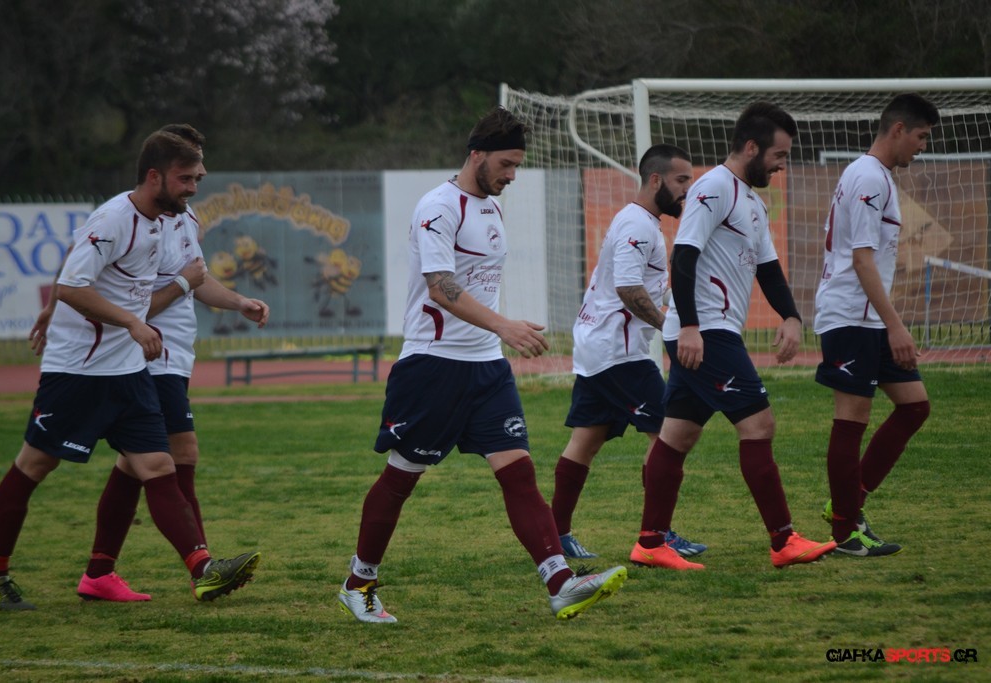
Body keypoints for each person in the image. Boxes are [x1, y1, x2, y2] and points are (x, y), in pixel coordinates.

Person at [337, 107, 627, 623]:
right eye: (506, 164)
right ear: (477, 156)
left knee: (519, 474)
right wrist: (504, 326)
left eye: (517, 166)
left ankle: (560, 583)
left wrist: (496, 335)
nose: (512, 175)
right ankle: (358, 584)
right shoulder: (438, 207)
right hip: (433, 366)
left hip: (486, 369)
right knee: (402, 476)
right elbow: (440, 286)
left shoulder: (491, 209)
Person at [0, 131, 260, 611]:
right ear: (154, 176)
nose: (193, 188)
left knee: (159, 466)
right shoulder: (114, 218)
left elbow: (188, 278)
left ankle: (202, 568)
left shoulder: (169, 220)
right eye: (185, 179)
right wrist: (130, 321)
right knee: (35, 465)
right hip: (79, 371)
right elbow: (72, 285)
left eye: (197, 178)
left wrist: (236, 302)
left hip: (128, 369)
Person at [631, 101, 836, 571]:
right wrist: (689, 326)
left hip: (709, 331)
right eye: (778, 155)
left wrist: (791, 316)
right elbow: (683, 255)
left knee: (676, 436)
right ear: (751, 147)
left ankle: (650, 542)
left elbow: (768, 267)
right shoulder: (714, 187)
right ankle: (783, 539)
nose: (782, 165)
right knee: (759, 425)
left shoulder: (753, 202)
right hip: (705, 331)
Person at [551, 144, 707, 560]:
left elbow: (638, 285)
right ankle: (658, 534)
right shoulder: (638, 224)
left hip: (599, 347)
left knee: (586, 439)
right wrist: (670, 327)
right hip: (618, 353)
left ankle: (556, 533)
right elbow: (627, 287)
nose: (686, 190)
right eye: (680, 180)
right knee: (670, 434)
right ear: (655, 180)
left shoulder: (638, 221)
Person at [814, 94, 939, 556]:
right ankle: (845, 534)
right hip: (852, 316)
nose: (922, 147)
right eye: (921, 136)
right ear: (898, 129)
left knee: (914, 406)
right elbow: (861, 258)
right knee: (851, 418)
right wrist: (896, 326)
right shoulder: (868, 176)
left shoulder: (876, 175)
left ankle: (848, 503)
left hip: (868, 318)